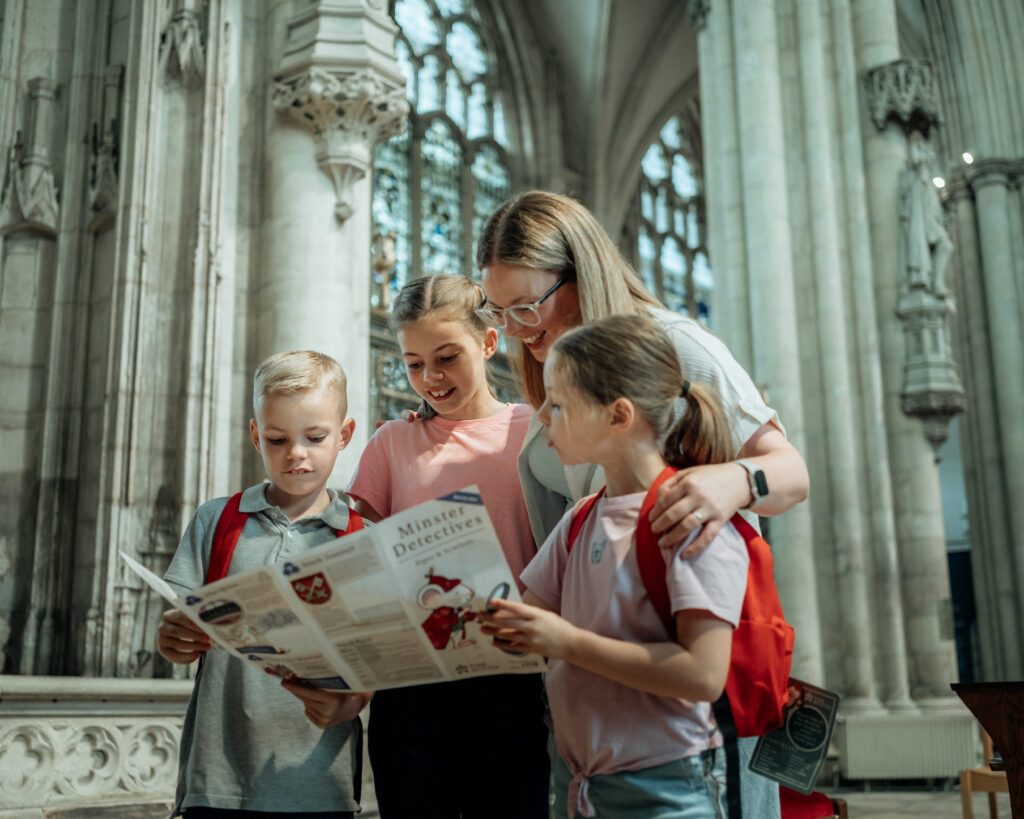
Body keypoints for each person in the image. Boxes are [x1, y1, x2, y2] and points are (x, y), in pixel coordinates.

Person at [476, 190, 810, 818]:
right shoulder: (553, 370)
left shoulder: (671, 346)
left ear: (581, 274)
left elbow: (790, 474)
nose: (516, 329)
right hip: (598, 704)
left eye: (526, 305)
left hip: (688, 703)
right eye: (497, 311)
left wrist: (732, 481)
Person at [482, 315, 749, 818]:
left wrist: (566, 643)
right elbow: (520, 625)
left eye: (558, 404)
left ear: (618, 416)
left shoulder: (686, 519)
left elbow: (703, 674)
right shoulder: (582, 518)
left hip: (664, 786)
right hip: (581, 782)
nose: (541, 416)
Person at [346, 274, 549, 819]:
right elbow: (362, 558)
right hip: (413, 688)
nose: (430, 378)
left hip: (512, 679)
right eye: (414, 363)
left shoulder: (534, 431)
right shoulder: (392, 441)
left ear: (488, 342)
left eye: (447, 357)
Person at [158, 350, 370, 819]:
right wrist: (172, 637)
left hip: (319, 783)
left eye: (315, 438)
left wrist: (354, 700)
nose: (296, 453)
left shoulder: (361, 538)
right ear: (257, 436)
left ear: (345, 435)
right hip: (216, 780)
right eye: (278, 439)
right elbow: (177, 639)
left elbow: (374, 659)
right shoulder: (217, 521)